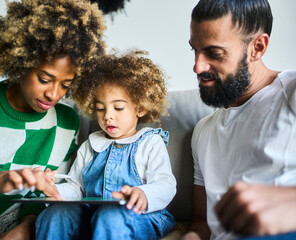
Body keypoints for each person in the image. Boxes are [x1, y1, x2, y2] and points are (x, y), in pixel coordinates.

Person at [0, 0, 106, 239]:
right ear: (21, 61)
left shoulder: (67, 121)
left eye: (65, 85)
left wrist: (28, 224)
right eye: (45, 79)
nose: (53, 94)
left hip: (10, 223)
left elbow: (49, 190)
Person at [181, 0, 296, 239]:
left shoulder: (291, 93)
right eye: (195, 50)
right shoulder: (203, 132)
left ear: (258, 47)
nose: (197, 66)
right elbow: (202, 223)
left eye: (214, 53)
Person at [35, 50, 177, 239]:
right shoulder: (91, 144)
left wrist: (144, 194)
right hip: (92, 214)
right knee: (54, 214)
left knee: (110, 217)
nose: (107, 115)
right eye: (100, 108)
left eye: (118, 107)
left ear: (140, 107)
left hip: (137, 216)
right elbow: (76, 188)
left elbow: (166, 184)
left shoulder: (150, 142)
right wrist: (53, 190)